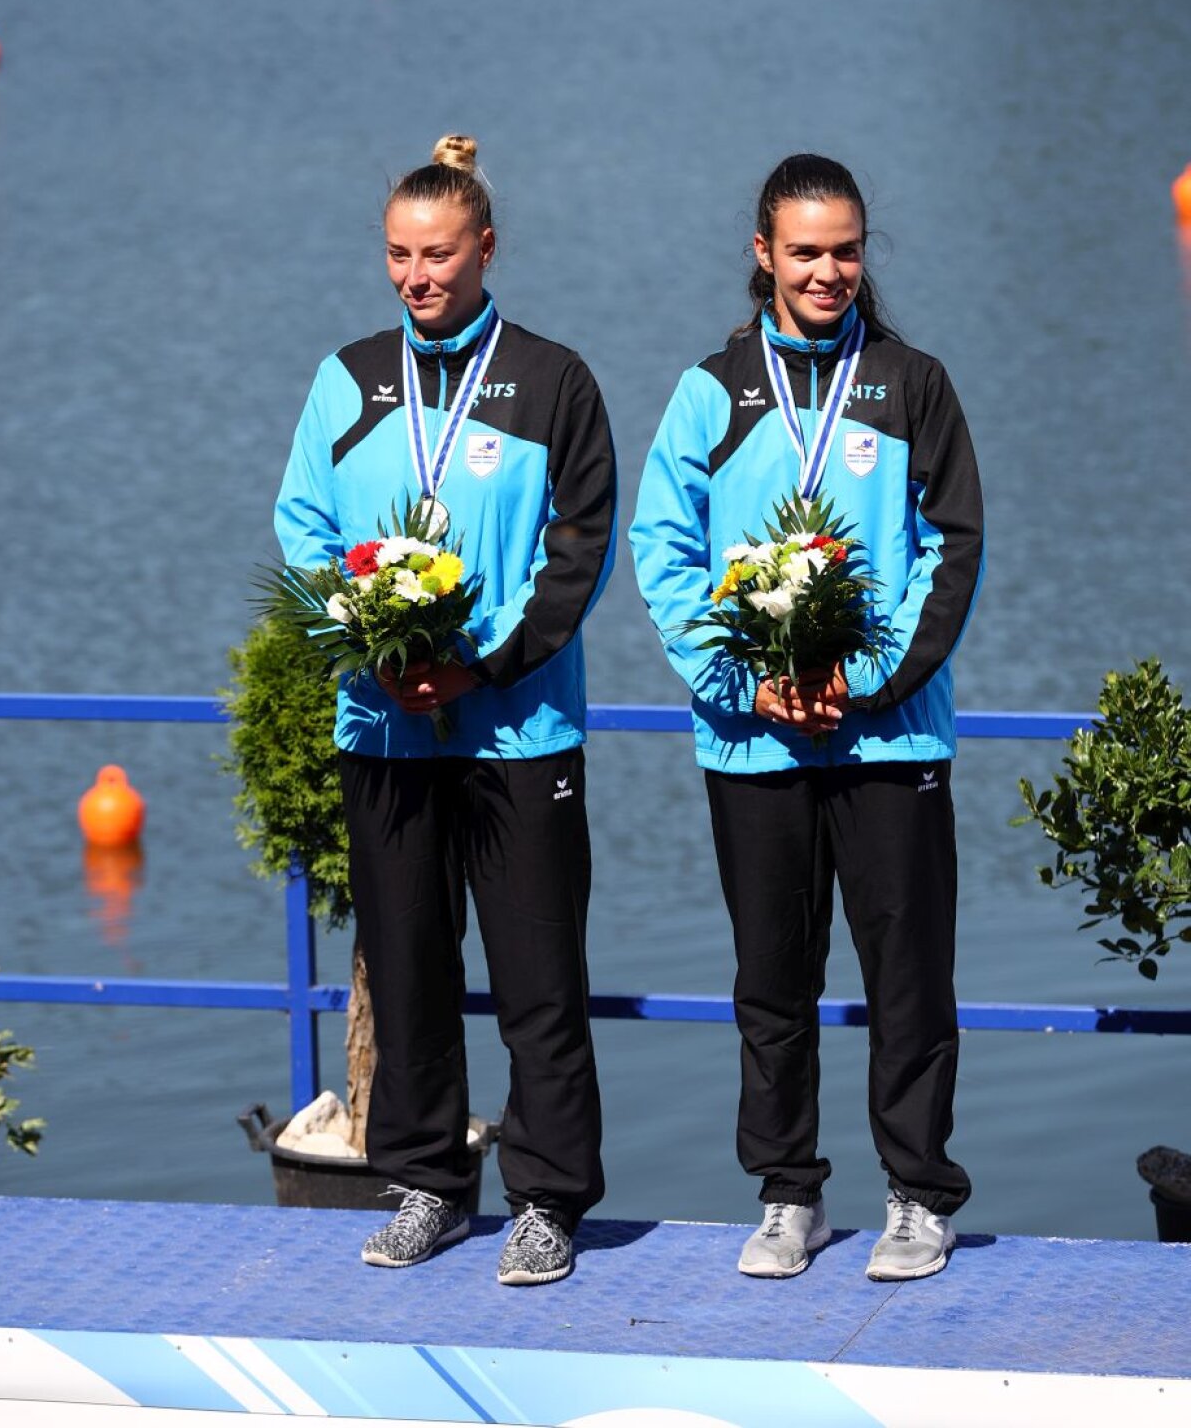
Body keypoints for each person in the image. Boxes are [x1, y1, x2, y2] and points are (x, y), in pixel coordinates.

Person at [629, 153, 983, 1283]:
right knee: (772, 976)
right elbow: (662, 550)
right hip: (753, 737)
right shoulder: (711, 392)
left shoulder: (911, 381)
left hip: (890, 738)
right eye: (805, 252)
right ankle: (790, 1196)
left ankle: (920, 1197)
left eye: (846, 250)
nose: (827, 271)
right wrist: (745, 680)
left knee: (909, 977)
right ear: (763, 256)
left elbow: (952, 545)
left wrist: (871, 680)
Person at [275, 135, 616, 1286]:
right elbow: (304, 530)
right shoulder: (347, 376)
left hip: (516, 729)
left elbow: (580, 548)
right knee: (409, 964)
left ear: (486, 249)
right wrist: (369, 648)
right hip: (383, 724)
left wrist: (480, 660)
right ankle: (425, 1182)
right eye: (399, 256)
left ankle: (547, 1202)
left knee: (537, 974)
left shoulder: (552, 378)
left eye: (439, 254)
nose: (418, 277)